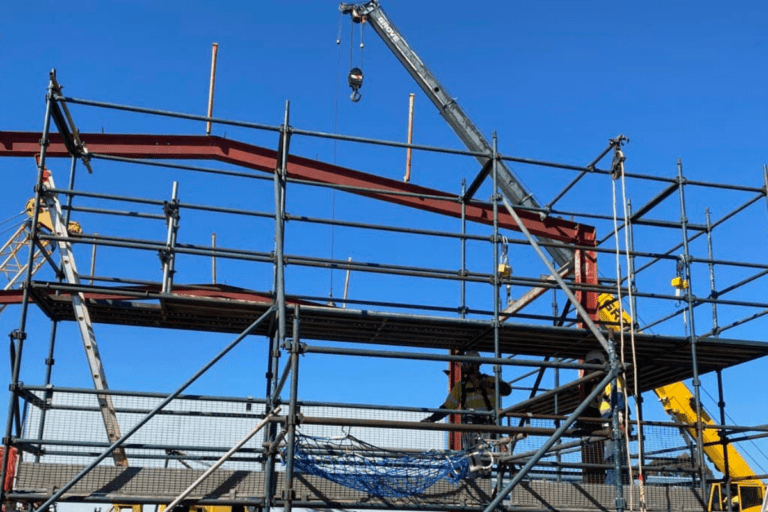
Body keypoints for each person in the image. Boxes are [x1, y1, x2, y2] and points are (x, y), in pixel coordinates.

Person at [421, 350, 512, 428]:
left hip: (489, 424)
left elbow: (507, 390)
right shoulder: (461, 387)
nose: (463, 366)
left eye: (466, 363)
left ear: (475, 365)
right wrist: (431, 419)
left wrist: (491, 385)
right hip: (470, 427)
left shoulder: (490, 380)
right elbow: (447, 407)